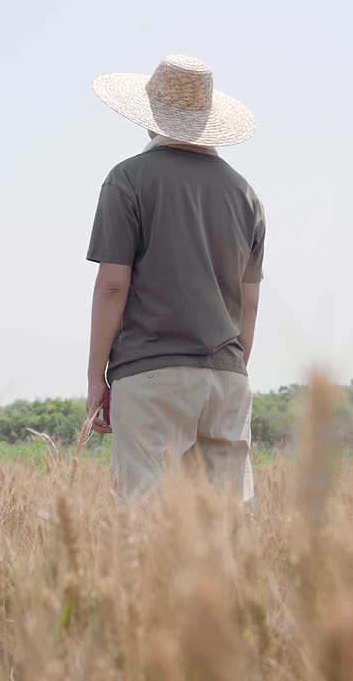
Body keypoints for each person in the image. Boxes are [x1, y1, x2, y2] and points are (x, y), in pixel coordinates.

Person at [85, 54, 265, 506]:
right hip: (227, 377)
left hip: (151, 375)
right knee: (224, 526)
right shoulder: (245, 194)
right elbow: (250, 303)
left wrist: (96, 379)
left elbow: (112, 285)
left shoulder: (128, 180)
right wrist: (228, 365)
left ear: (151, 118)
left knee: (144, 526)